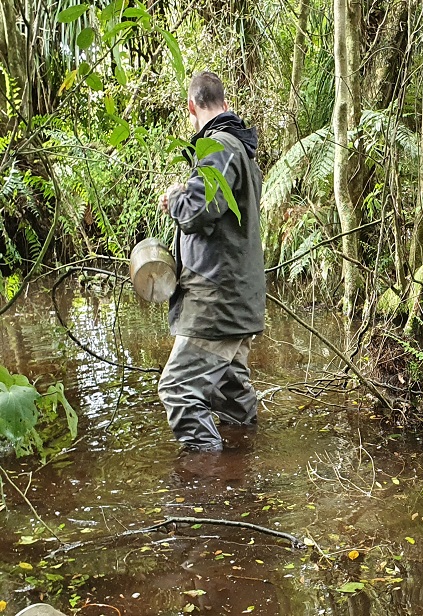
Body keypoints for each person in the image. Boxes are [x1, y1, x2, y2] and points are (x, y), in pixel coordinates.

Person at [157, 71, 265, 452]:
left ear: (191, 108)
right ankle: (246, 475)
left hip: (216, 305)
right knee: (231, 397)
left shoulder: (218, 147)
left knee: (178, 391)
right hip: (237, 302)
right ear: (226, 103)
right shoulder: (243, 152)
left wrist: (176, 199)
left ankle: (211, 484)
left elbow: (199, 210)